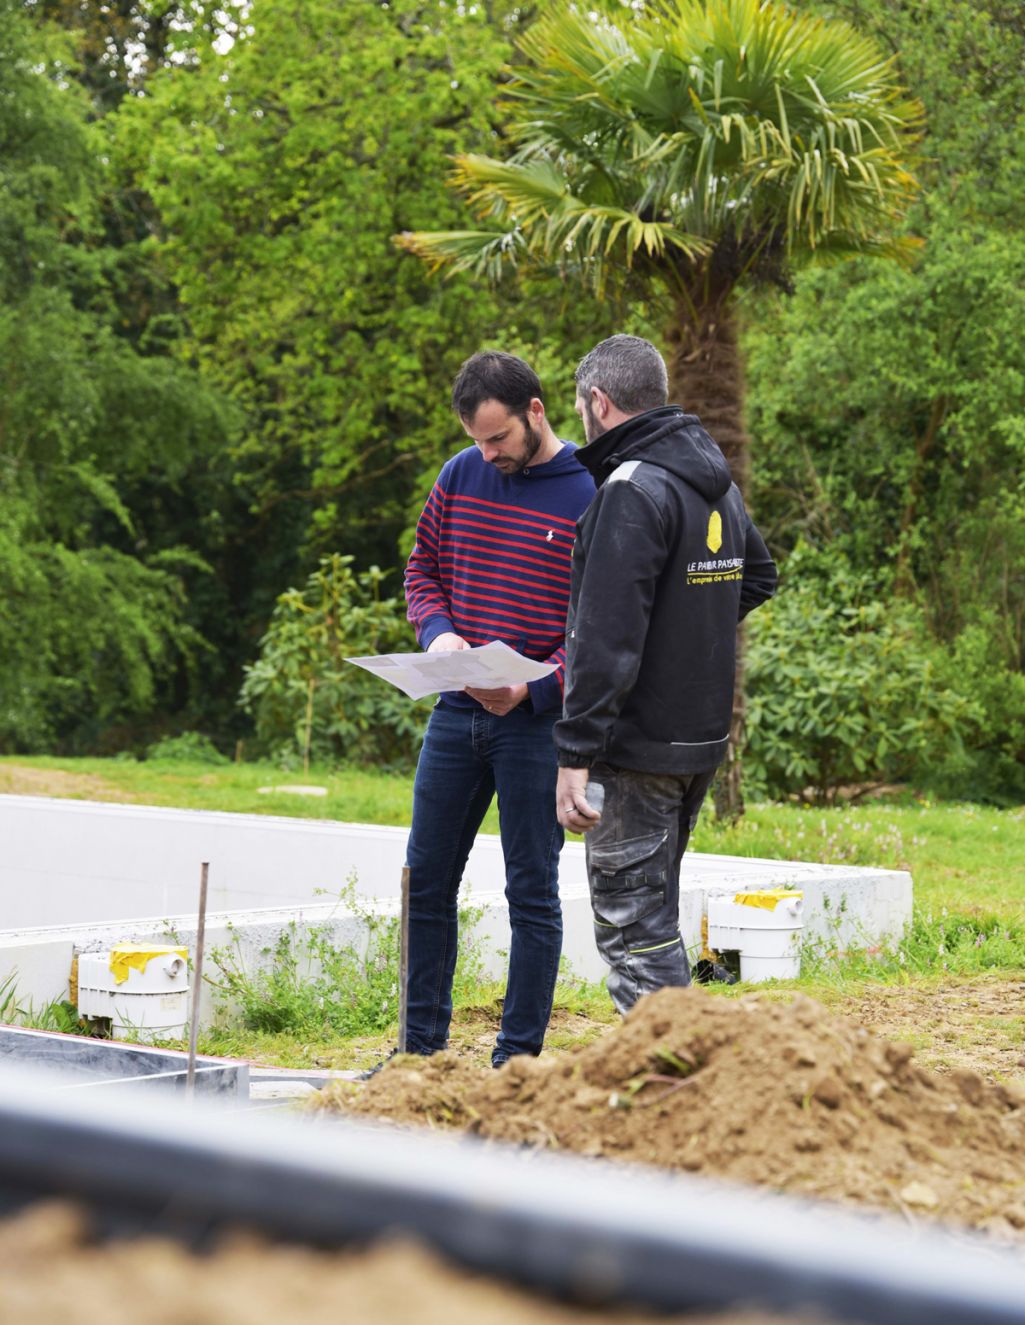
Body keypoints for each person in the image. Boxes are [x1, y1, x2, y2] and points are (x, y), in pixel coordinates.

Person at [553, 334, 777, 1014]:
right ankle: (683, 1086)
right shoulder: (710, 480)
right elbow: (757, 576)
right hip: (696, 740)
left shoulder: (631, 488)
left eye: (581, 409)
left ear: (599, 401)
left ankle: (670, 1091)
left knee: (634, 933)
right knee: (652, 917)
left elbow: (605, 638)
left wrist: (574, 754)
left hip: (638, 748)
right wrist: (688, 635)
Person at [401, 350, 596, 1066]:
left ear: (535, 412)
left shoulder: (590, 492)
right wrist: (437, 631)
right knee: (424, 880)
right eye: (478, 440)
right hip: (456, 713)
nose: (488, 454)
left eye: (498, 439)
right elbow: (420, 570)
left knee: (531, 894)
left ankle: (515, 1062)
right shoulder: (459, 474)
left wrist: (535, 688)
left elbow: (605, 633)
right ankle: (420, 1053)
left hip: (537, 727)